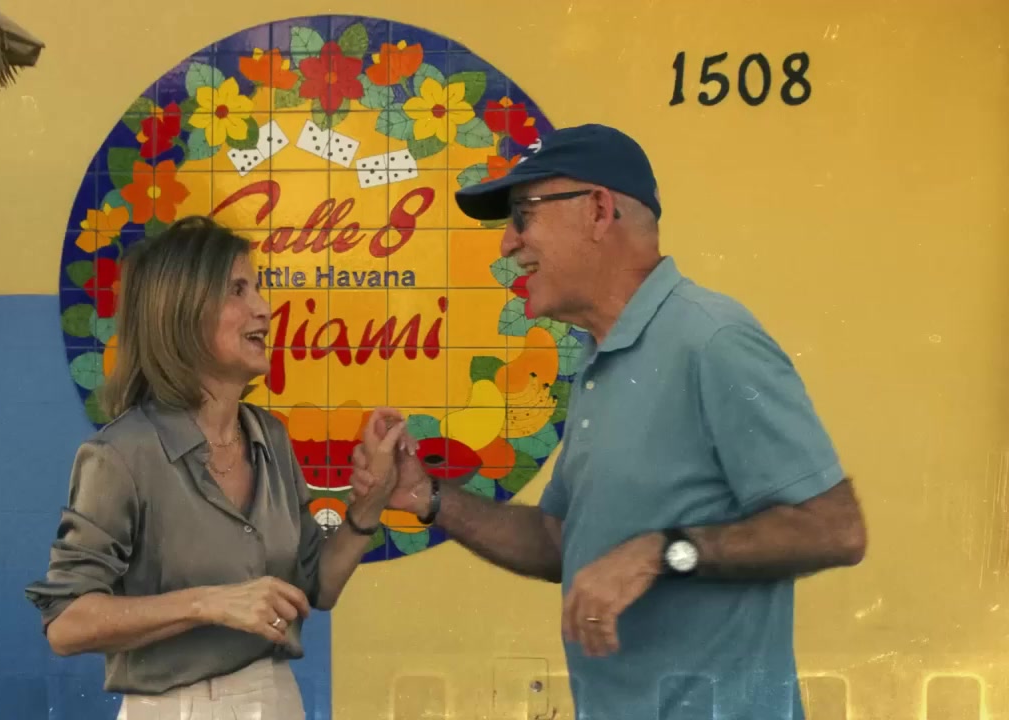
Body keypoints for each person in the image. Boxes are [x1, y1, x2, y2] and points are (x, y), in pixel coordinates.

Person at [350, 124, 868, 720]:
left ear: (598, 211)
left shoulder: (712, 339)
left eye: (523, 215)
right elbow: (560, 540)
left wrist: (663, 552)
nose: (508, 244)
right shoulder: (599, 358)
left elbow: (836, 529)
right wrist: (428, 497)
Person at [25, 215, 406, 720]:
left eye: (257, 289)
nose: (264, 309)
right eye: (237, 290)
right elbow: (66, 624)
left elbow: (318, 587)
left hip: (278, 700)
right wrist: (208, 603)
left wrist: (371, 501)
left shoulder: (270, 437)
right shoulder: (122, 455)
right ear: (181, 313)